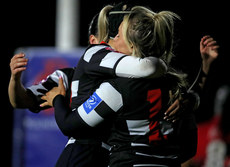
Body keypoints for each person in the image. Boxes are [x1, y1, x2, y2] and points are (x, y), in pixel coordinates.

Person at [9, 3, 169, 167]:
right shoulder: (82, 65)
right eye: (111, 36)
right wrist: (15, 80)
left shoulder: (130, 76)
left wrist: (188, 99)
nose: (113, 41)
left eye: (118, 35)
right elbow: (22, 101)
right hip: (84, 150)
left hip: (111, 156)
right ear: (95, 42)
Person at [41, 6, 197, 167]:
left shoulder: (117, 88)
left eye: (118, 34)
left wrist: (57, 99)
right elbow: (190, 149)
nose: (113, 39)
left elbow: (70, 125)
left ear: (131, 45)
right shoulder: (177, 87)